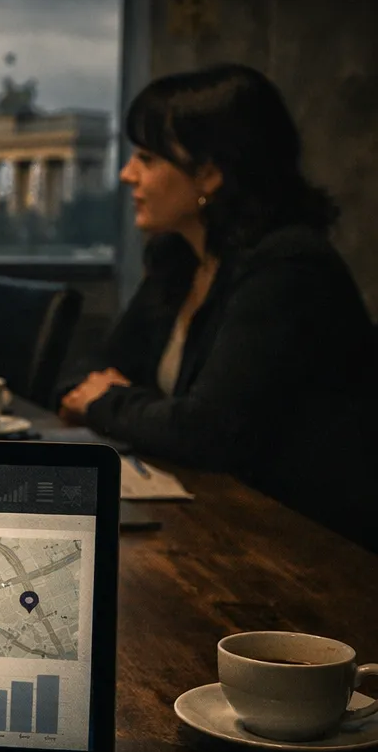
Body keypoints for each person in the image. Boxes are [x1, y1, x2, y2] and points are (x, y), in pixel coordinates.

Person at [60, 63, 377, 550]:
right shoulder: (182, 258)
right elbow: (86, 372)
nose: (127, 175)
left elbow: (205, 432)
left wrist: (106, 401)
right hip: (219, 525)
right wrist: (127, 403)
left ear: (209, 172)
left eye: (147, 158)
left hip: (310, 548)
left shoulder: (289, 267)